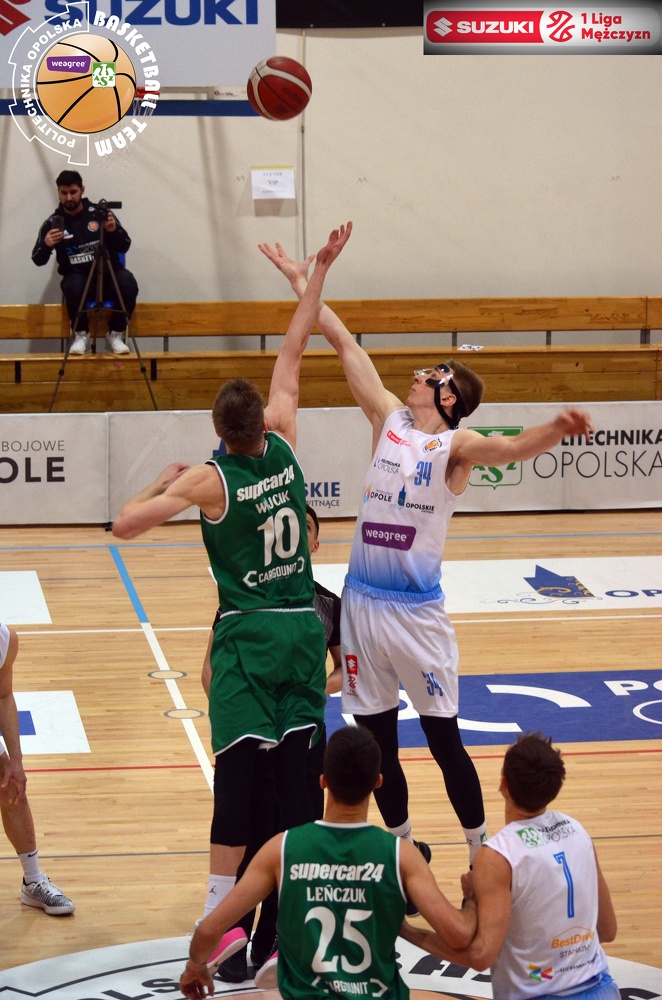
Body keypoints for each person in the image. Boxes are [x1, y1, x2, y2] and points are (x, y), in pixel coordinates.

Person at [260, 240, 595, 886]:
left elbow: (509, 448)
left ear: (448, 397)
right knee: (377, 745)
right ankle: (403, 850)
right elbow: (344, 345)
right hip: (363, 605)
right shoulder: (388, 419)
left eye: (431, 374)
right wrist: (305, 282)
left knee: (445, 744)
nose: (417, 374)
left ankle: (478, 852)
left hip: (417, 617)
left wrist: (554, 430)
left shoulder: (455, 446)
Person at [112, 222, 352, 968]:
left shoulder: (209, 481)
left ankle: (220, 923)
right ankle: (293, 928)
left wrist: (158, 484)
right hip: (302, 629)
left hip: (247, 634)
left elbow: (125, 526)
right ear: (261, 422)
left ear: (219, 429)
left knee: (239, 780)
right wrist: (316, 271)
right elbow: (295, 345)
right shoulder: (285, 442)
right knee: (296, 788)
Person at [179, 725, 477, 1000]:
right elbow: (460, 935)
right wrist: (471, 900)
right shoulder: (401, 855)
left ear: (323, 781)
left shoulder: (281, 849)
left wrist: (195, 967)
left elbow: (208, 931)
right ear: (378, 782)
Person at [199, 503, 342, 983]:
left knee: (291, 835)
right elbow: (210, 671)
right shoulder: (243, 597)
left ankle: (276, 938)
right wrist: (236, 724)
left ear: (314, 543)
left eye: (307, 530)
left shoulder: (328, 604)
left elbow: (346, 669)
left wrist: (311, 690)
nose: (298, 537)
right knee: (249, 837)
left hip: (303, 740)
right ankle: (232, 931)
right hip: (253, 737)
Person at [400, 732, 619, 1000]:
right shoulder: (578, 830)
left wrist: (408, 931)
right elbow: (607, 930)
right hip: (602, 989)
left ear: (503, 783)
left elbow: (480, 955)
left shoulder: (498, 855)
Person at [0, 623, 75, 916]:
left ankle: (33, 882)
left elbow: (3, 696)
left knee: (10, 786)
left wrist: (16, 761)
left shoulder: (4, 639)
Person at [31, 169, 138, 355]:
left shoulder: (100, 214)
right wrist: (46, 244)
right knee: (72, 286)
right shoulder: (52, 222)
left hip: (108, 274)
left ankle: (115, 333)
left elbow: (125, 244)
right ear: (58, 193)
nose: (69, 197)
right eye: (64, 193)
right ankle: (81, 334)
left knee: (128, 283)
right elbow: (37, 259)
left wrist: (113, 230)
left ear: (82, 190)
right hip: (78, 277)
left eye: (73, 192)